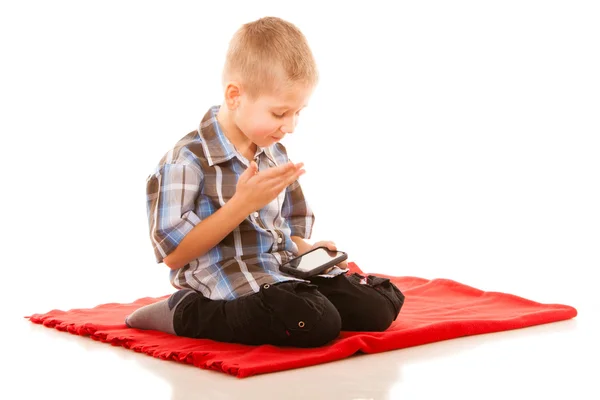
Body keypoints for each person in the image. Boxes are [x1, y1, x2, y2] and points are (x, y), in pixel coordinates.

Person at [125, 16, 405, 348]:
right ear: (234, 96)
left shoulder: (274, 153)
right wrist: (241, 204)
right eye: (279, 114)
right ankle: (186, 312)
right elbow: (173, 255)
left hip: (280, 270)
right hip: (227, 277)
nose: (290, 126)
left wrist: (308, 249)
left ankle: (300, 299)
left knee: (377, 308)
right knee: (316, 323)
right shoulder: (186, 160)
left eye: (298, 113)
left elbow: (287, 230)